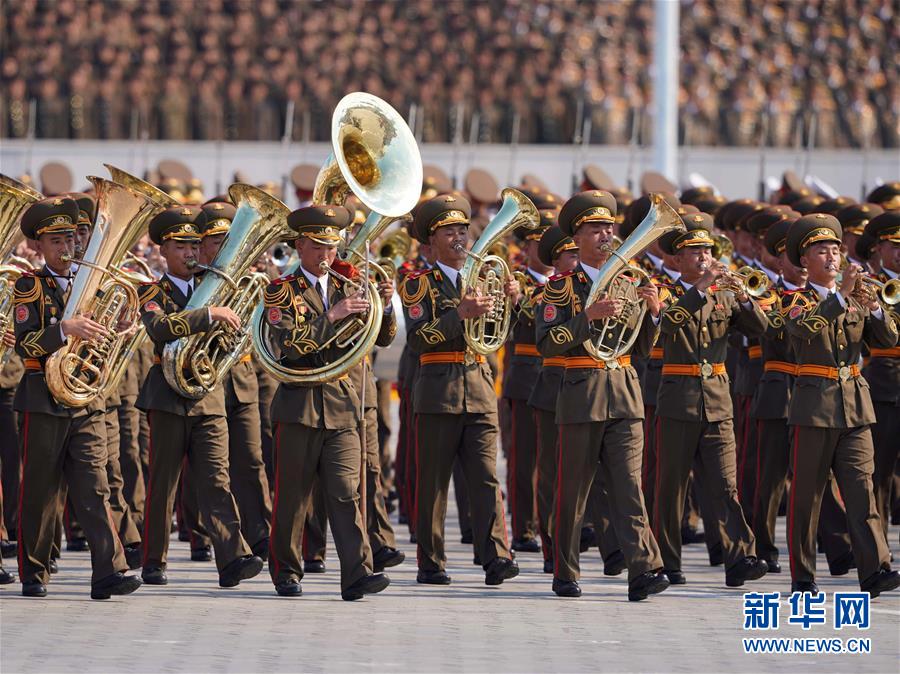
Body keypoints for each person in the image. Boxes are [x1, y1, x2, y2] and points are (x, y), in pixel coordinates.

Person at [535, 190, 668, 601]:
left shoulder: (630, 282)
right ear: (576, 238)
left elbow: (640, 348)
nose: (606, 234)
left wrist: (655, 315)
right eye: (596, 229)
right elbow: (547, 342)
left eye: (609, 227)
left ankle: (644, 570)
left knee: (630, 486)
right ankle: (565, 571)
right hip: (581, 394)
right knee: (573, 490)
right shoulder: (560, 289)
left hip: (624, 394)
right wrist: (585, 319)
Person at [13, 196, 141, 599]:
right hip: (43, 400)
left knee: (95, 486)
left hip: (85, 401)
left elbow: (108, 339)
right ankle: (34, 571)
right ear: (39, 246)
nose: (67, 248)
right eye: (56, 241)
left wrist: (118, 326)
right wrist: (64, 330)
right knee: (40, 490)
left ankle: (109, 571)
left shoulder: (99, 283)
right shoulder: (29, 285)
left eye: (71, 239)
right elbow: (24, 345)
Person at [263, 204, 391, 601]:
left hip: (341, 402)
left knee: (345, 491)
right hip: (299, 405)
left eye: (332, 248)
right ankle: (286, 569)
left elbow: (380, 339)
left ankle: (357, 573)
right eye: (318, 247)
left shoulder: (347, 285)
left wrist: (384, 307)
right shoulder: (280, 291)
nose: (327, 256)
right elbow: (287, 347)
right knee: (293, 496)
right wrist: (331, 317)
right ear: (300, 245)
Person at [136, 205, 262, 588]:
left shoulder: (217, 287)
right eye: (181, 247)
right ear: (163, 252)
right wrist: (207, 315)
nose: (191, 253)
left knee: (216, 480)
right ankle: (154, 560)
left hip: (208, 396)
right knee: (164, 483)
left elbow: (234, 337)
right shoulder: (151, 291)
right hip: (167, 397)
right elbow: (159, 328)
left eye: (195, 246)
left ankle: (232, 557)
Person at [400, 193, 519, 587]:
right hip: (437, 391)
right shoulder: (418, 284)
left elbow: (499, 334)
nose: (459, 237)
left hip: (479, 388)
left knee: (485, 478)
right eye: (449, 230)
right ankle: (431, 561)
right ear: (430, 242)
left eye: (462, 229)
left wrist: (512, 304)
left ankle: (496, 556)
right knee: (433, 482)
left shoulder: (484, 276)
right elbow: (420, 339)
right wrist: (460, 315)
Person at [783, 213, 900, 596]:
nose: (833, 257)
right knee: (807, 497)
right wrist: (840, 296)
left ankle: (875, 569)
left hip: (854, 404)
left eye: (836, 249)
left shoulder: (853, 298)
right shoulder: (794, 299)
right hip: (814, 407)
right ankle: (803, 575)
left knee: (861, 490)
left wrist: (876, 308)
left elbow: (885, 336)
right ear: (804, 260)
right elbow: (803, 329)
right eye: (822, 250)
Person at [653, 212, 769, 588]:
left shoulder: (723, 293)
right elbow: (667, 324)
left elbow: (761, 330)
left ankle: (740, 557)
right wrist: (700, 288)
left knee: (724, 484)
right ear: (677, 258)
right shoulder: (663, 290)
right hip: (677, 399)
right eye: (695, 252)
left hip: (717, 399)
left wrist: (745, 299)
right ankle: (667, 562)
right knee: (672, 487)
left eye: (707, 251)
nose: (704, 258)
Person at [528, 225, 578, 574]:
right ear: (557, 259)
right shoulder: (550, 292)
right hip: (553, 386)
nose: (577, 259)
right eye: (571, 254)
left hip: (591, 387)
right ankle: (551, 545)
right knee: (550, 474)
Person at [858, 211, 900, 545]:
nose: (899, 253)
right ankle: (879, 550)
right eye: (893, 246)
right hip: (884, 385)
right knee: (878, 474)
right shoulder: (869, 285)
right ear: (879, 248)